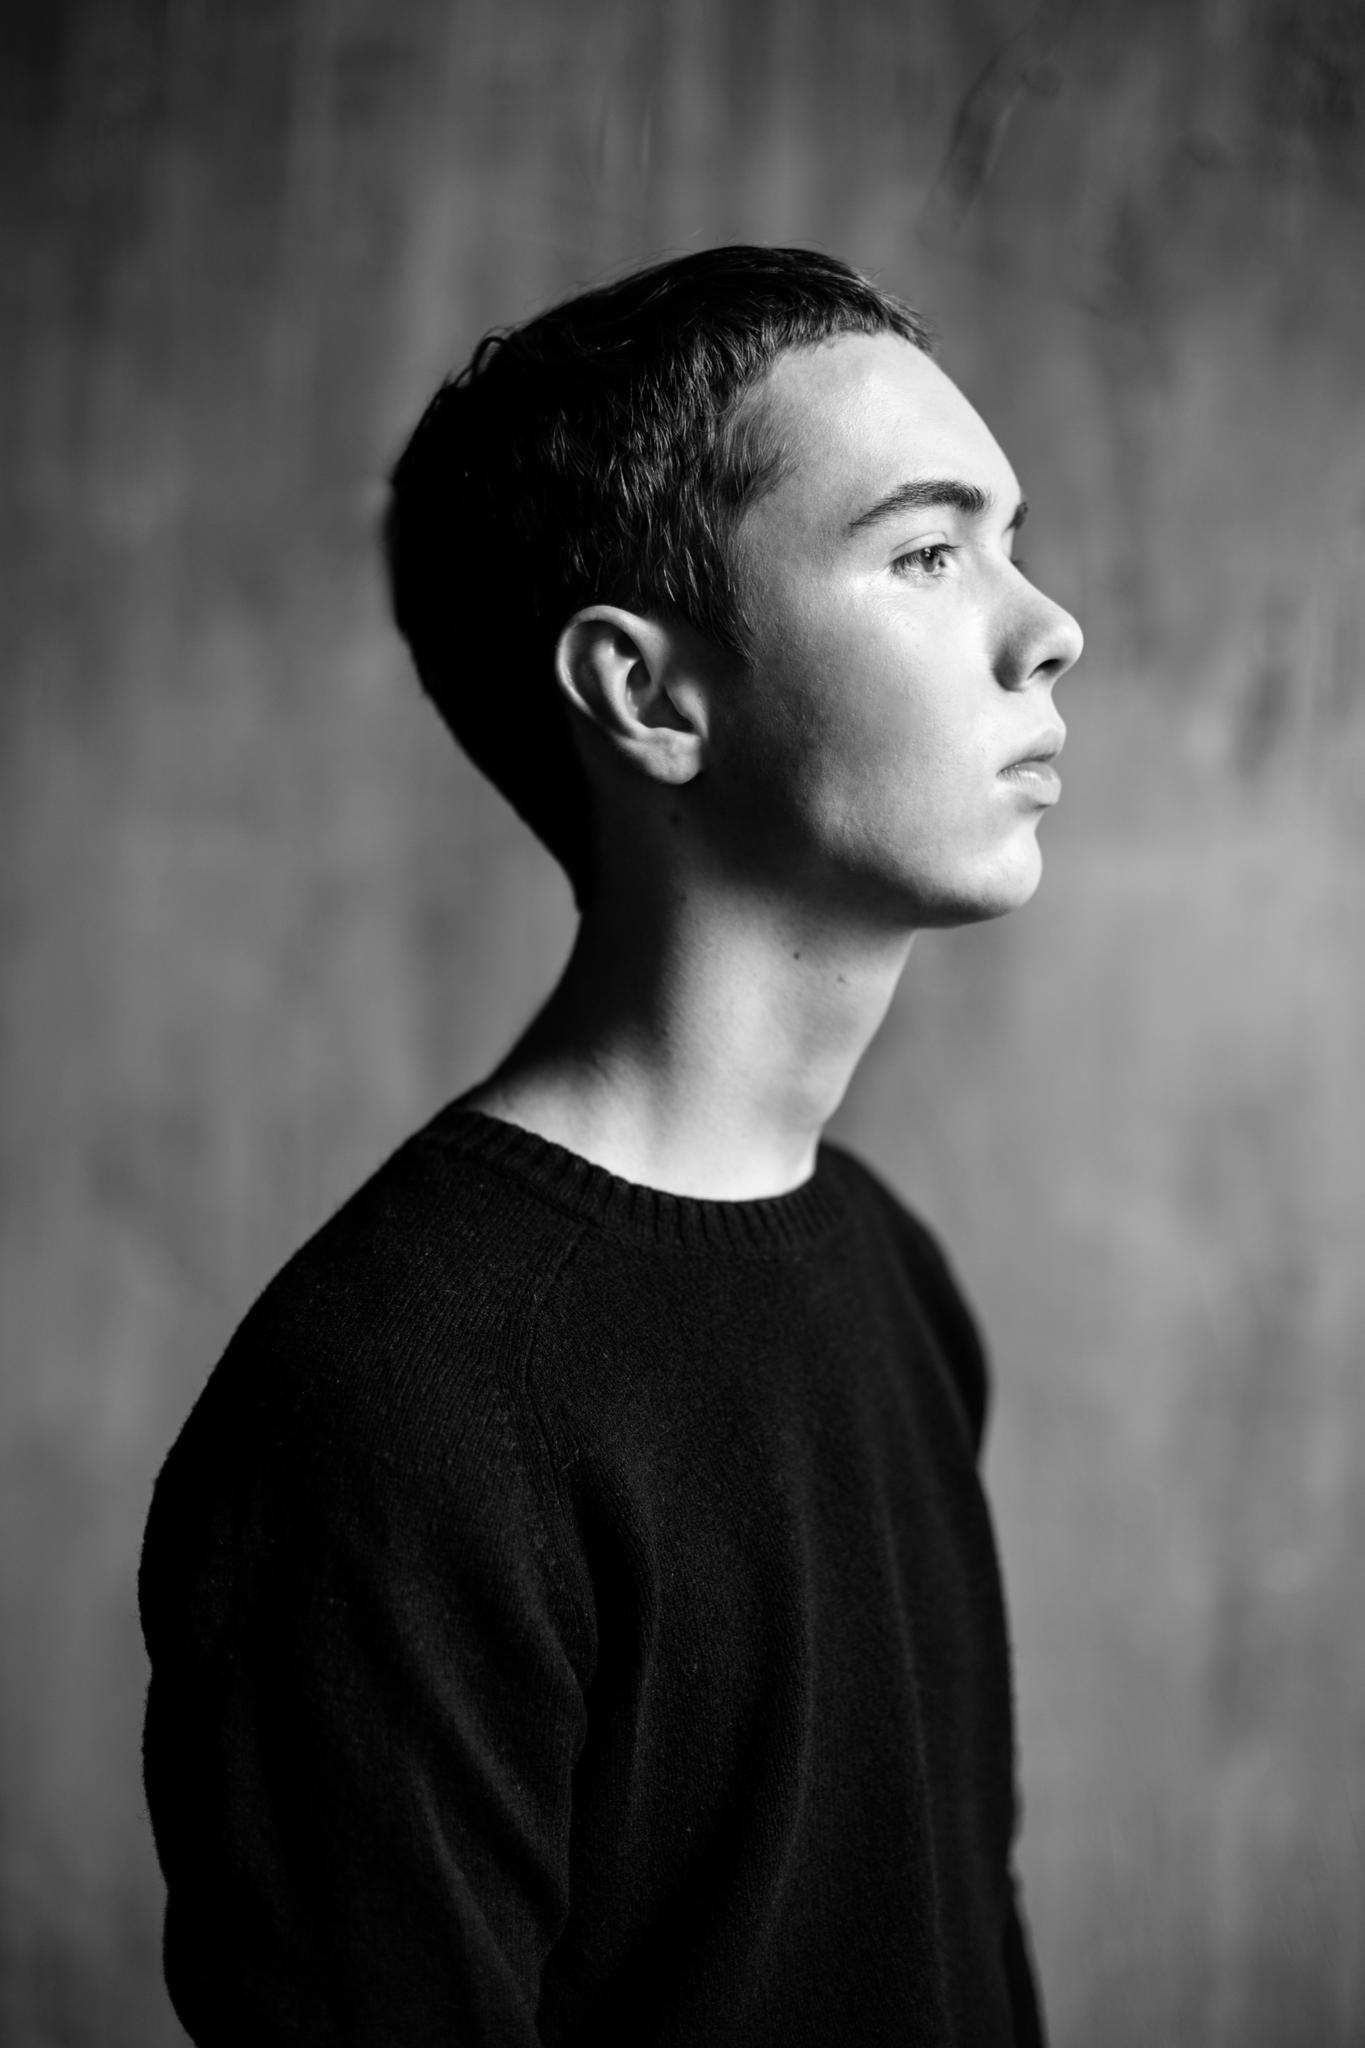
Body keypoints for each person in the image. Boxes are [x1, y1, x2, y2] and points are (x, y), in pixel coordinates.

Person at [139, 244, 1083, 2047]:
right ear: (648, 696)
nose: (1047, 628)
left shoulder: (887, 1270)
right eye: (924, 552)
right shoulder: (395, 1413)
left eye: (1010, 540)